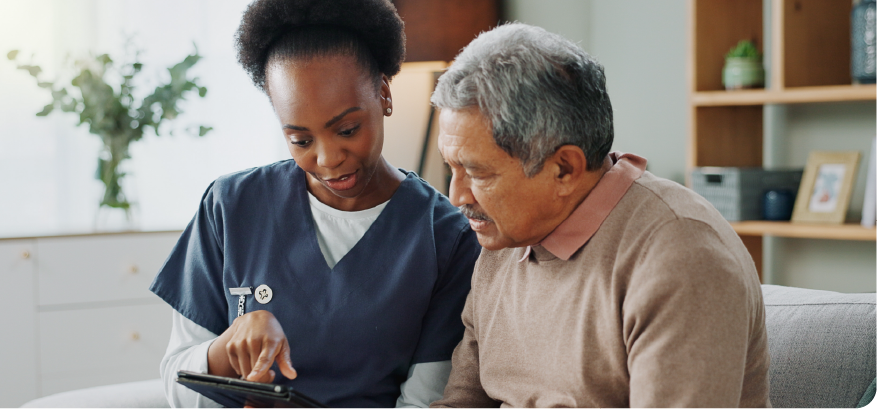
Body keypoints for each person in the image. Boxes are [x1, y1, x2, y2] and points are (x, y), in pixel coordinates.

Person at [149, 1, 481, 408]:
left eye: (346, 129)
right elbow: (177, 381)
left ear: (383, 93)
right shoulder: (230, 206)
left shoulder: (447, 238)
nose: (327, 159)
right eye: (300, 140)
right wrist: (227, 349)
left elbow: (426, 400)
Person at [428, 23, 772, 409]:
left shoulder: (681, 257)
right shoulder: (503, 240)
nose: (456, 195)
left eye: (477, 173)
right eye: (451, 169)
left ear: (564, 169)